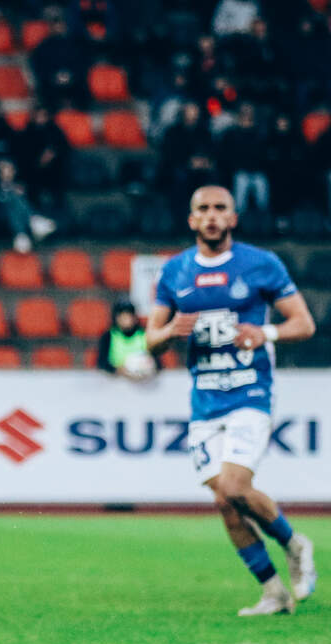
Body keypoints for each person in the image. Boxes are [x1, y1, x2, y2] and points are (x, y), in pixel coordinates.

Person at [146, 185, 316, 616]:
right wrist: (170, 332)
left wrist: (266, 332)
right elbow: (150, 340)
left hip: (250, 392)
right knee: (225, 501)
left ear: (233, 218)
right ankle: (274, 592)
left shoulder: (261, 263)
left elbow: (303, 323)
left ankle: (294, 543)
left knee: (236, 486)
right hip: (204, 402)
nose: (211, 216)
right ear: (191, 219)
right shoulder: (174, 271)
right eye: (203, 209)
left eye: (220, 208)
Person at [96, 299, 160, 381]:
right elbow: (101, 363)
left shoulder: (145, 335)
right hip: (115, 382)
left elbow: (157, 363)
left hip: (143, 382)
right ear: (116, 318)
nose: (126, 319)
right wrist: (119, 370)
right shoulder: (108, 336)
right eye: (123, 316)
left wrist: (148, 367)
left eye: (129, 316)